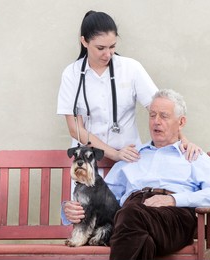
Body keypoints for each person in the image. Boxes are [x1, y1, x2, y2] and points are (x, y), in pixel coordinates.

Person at [63, 88, 210, 259]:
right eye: (152, 115)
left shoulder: (193, 156)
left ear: (181, 122)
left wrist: (174, 199)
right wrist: (68, 210)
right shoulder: (131, 156)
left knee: (129, 215)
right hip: (131, 217)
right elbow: (101, 195)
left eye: (164, 116)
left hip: (173, 216)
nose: (156, 122)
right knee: (143, 239)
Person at [57, 10, 201, 163]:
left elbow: (161, 108)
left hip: (129, 159)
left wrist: (183, 140)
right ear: (84, 42)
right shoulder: (71, 74)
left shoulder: (131, 69)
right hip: (87, 162)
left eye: (112, 46)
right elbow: (75, 129)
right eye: (101, 48)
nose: (108, 54)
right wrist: (114, 154)